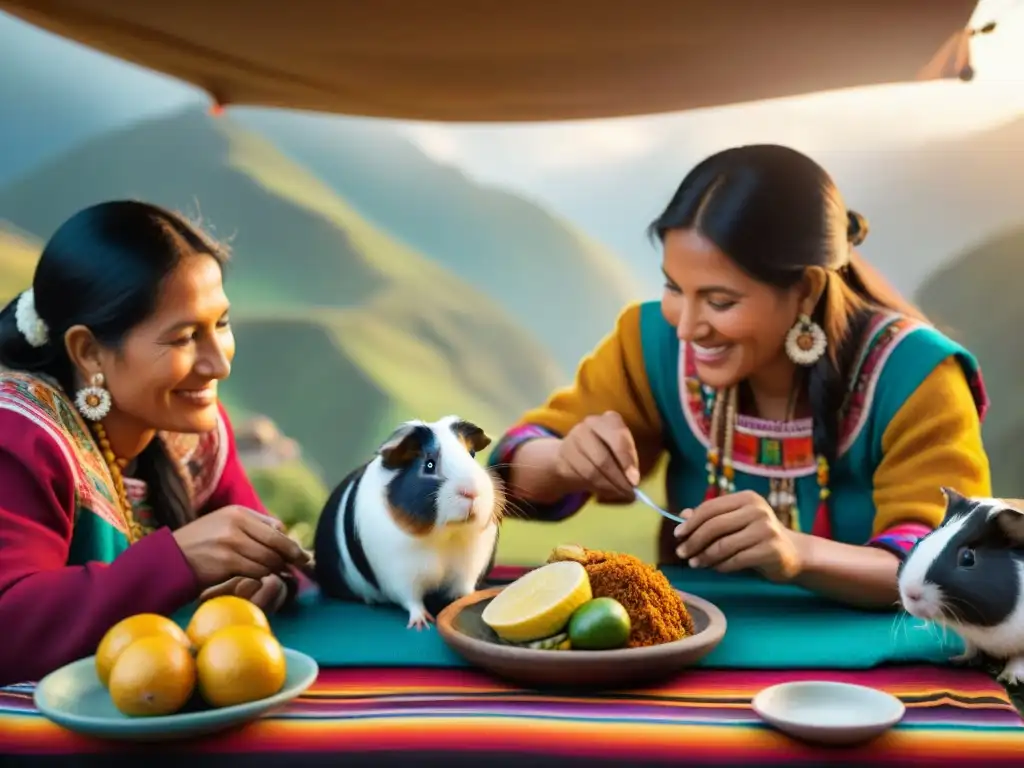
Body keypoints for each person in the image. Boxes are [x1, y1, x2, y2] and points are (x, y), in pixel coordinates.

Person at [489, 144, 991, 611]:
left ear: (805, 289)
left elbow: (950, 563)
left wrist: (798, 554)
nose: (686, 326)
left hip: (872, 661)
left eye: (720, 301)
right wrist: (561, 460)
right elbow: (507, 471)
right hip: (689, 642)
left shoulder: (917, 376)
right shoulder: (648, 344)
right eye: (672, 287)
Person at [0, 200, 311, 686]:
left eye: (221, 324)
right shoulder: (21, 437)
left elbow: (272, 556)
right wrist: (179, 561)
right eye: (185, 337)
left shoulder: (195, 435)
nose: (219, 364)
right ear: (88, 351)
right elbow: (10, 629)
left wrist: (265, 577)